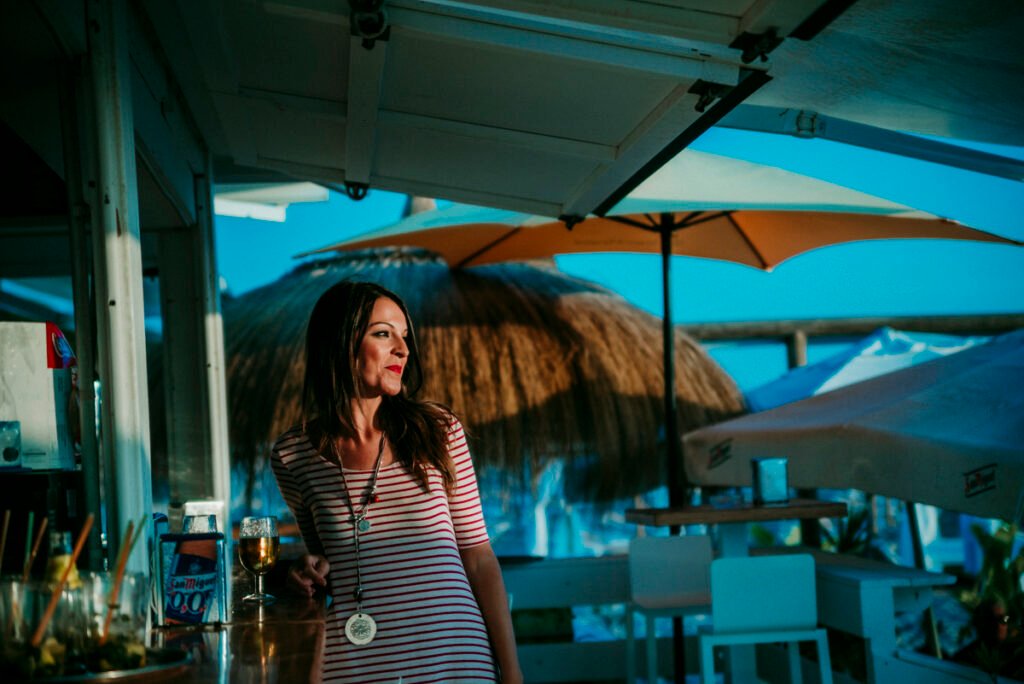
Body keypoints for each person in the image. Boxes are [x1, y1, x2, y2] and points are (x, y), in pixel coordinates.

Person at [270, 280, 522, 683]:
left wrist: (512, 672)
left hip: (457, 660)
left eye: (405, 336)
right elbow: (328, 565)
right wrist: (301, 572)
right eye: (383, 334)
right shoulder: (293, 454)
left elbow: (478, 556)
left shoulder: (439, 431)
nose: (403, 350)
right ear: (340, 342)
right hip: (353, 666)